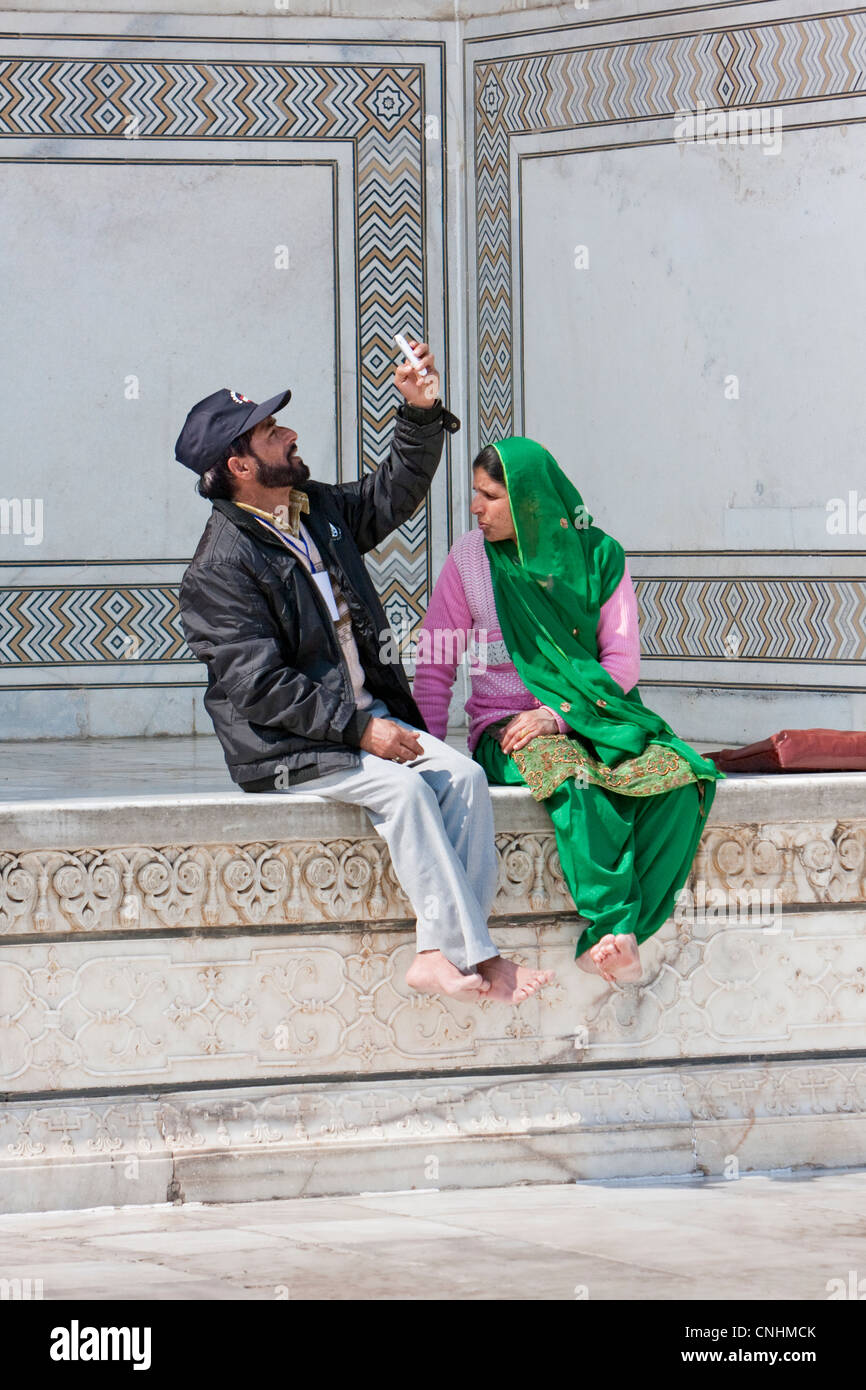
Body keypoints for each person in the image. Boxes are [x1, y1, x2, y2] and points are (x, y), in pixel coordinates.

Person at [175, 350, 553, 1006]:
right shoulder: (219, 569)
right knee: (405, 795)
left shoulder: (308, 510)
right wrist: (361, 730)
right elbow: (260, 688)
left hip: (363, 721)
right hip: (289, 747)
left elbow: (391, 493)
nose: (289, 434)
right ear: (239, 467)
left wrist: (420, 411)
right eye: (271, 433)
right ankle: (479, 959)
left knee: (463, 778)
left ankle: (441, 953)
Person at [413, 436, 724, 984]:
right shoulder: (470, 561)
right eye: (474, 494)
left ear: (530, 501)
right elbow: (436, 665)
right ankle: (611, 925)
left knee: (680, 778)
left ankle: (626, 930)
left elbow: (621, 665)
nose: (475, 509)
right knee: (574, 777)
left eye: (490, 496)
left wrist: (557, 714)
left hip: (592, 716)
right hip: (507, 729)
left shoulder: (599, 558)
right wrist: (427, 755)